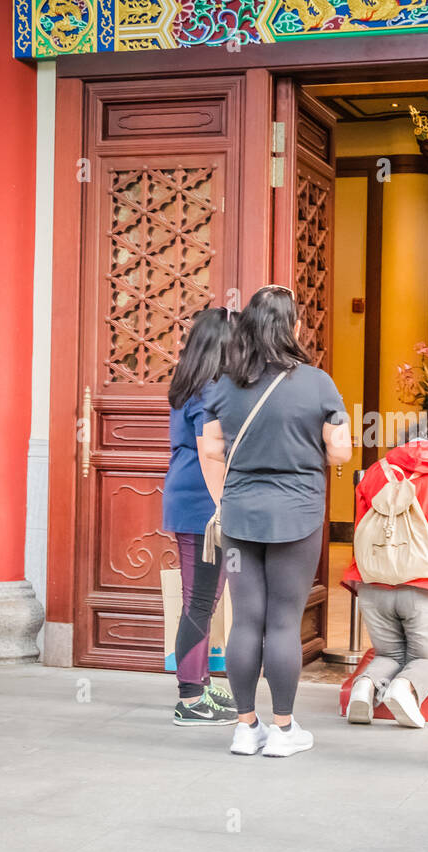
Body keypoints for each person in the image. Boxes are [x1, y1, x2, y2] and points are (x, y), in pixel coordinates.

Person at [199, 286, 352, 758]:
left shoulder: (224, 383)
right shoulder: (318, 384)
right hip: (298, 513)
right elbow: (341, 450)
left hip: (242, 516)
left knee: (245, 620)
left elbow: (209, 449)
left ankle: (246, 728)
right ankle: (283, 731)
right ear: (295, 328)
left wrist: (225, 502)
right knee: (283, 623)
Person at [341, 420, 428, 728]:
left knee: (389, 654)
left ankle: (365, 687)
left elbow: (362, 528)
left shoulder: (377, 470)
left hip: (373, 581)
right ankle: (404, 690)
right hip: (426, 581)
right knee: (425, 659)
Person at [163, 308, 239, 727]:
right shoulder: (209, 392)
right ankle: (189, 697)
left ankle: (201, 685)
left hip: (190, 499)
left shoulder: (193, 386)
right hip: (201, 506)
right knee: (198, 601)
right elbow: (213, 455)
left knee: (203, 600)